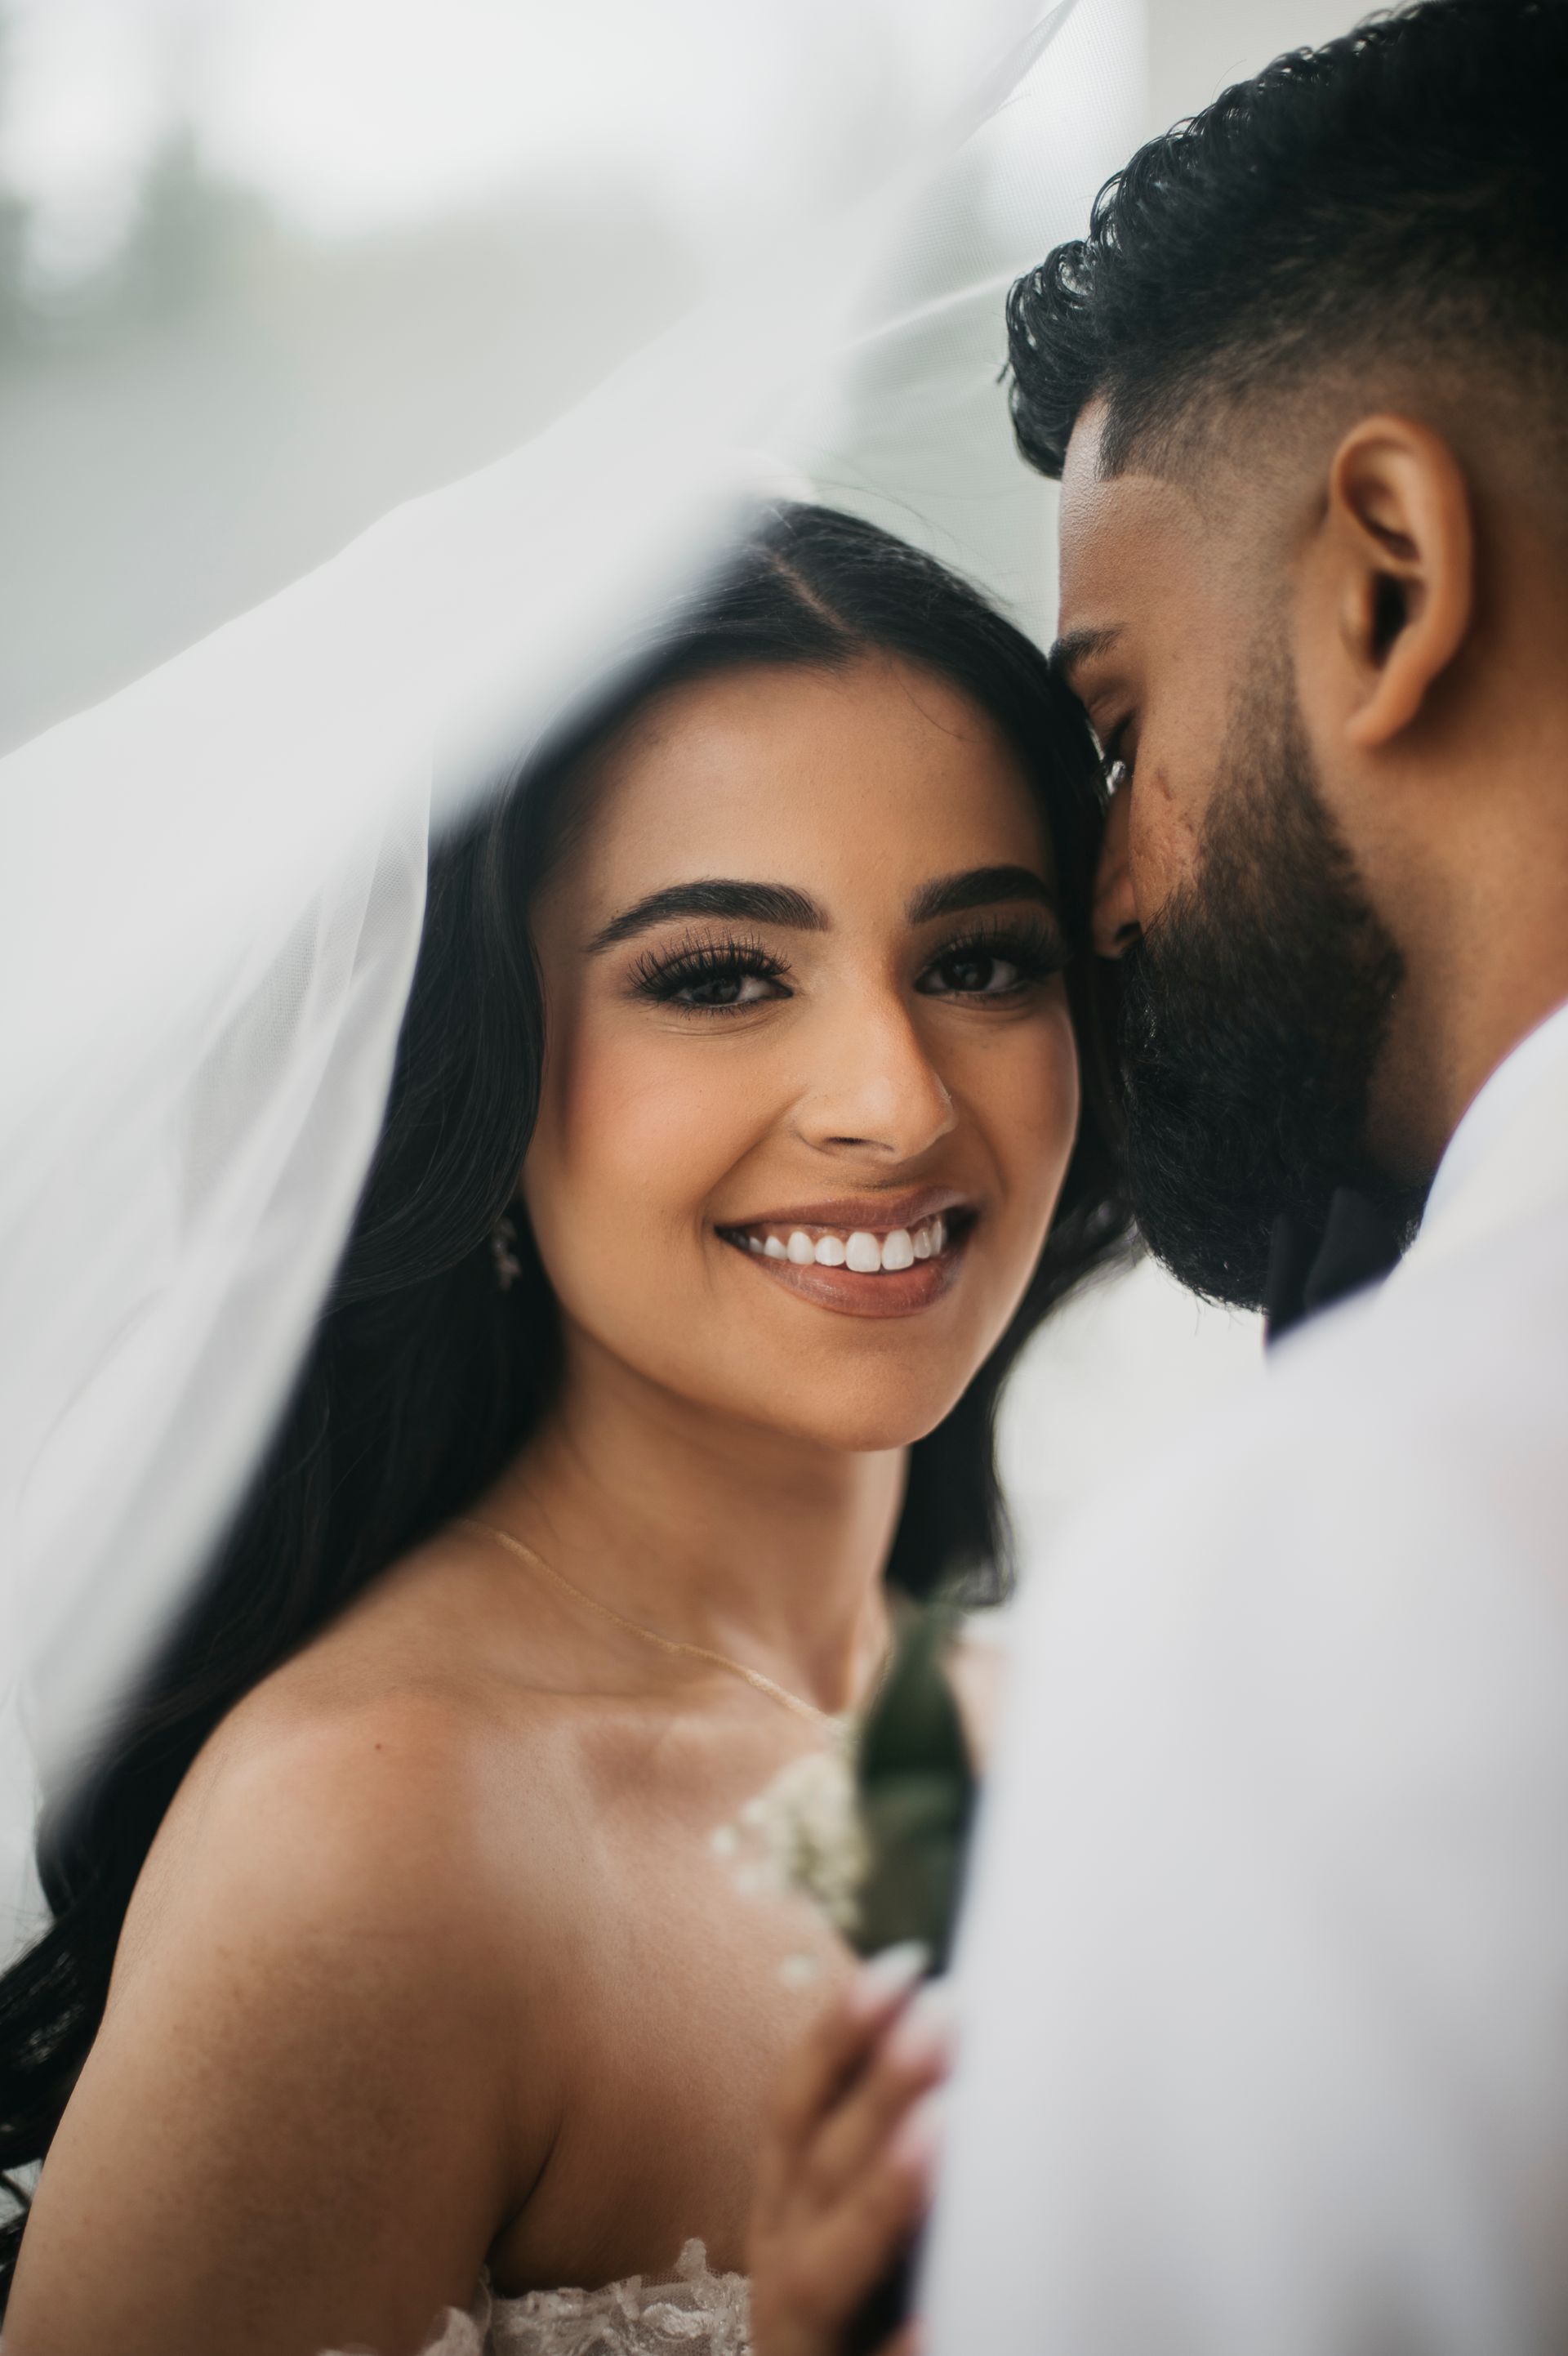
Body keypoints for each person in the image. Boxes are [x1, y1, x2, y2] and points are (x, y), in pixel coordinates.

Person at [0, 502, 1129, 2356]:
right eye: (717, 973)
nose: (894, 1097)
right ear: (488, 1073)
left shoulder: (1053, 1725)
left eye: (983, 956)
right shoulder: (382, 1836)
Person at [743, 2, 1568, 2350]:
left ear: (1390, 577)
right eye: (721, 974)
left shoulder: (1331, 1584)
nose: (1104, 911)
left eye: (1117, 725)